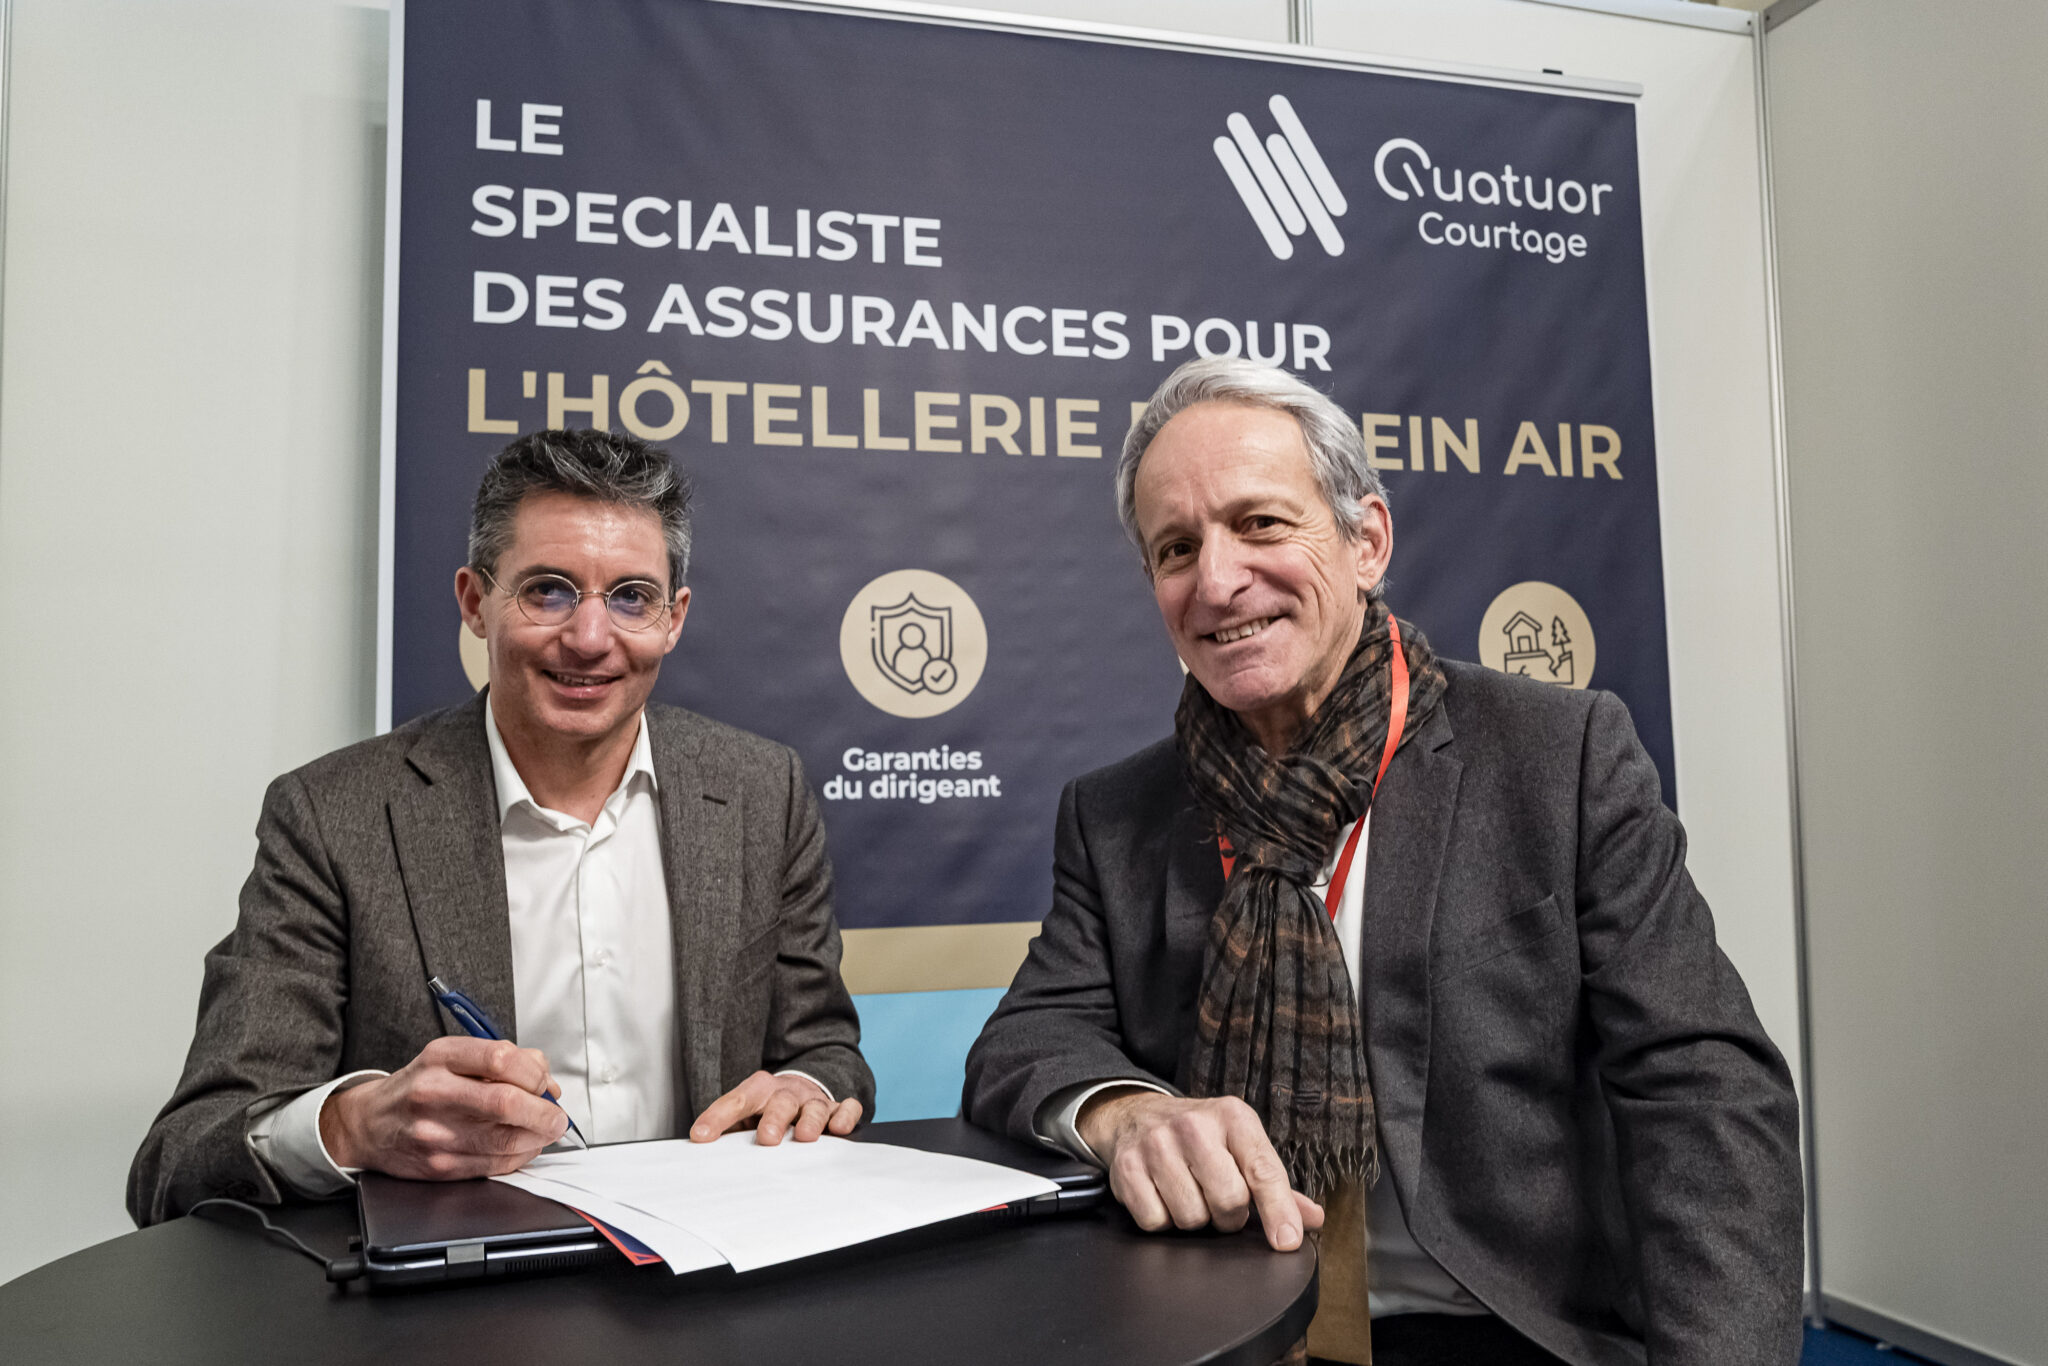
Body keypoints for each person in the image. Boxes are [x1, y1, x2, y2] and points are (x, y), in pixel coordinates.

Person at [961, 358, 1804, 1365]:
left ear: (1366, 541)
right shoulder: (1115, 815)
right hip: (1227, 1326)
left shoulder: (1557, 755)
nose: (1217, 581)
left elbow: (1700, 1088)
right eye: (1176, 548)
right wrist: (1125, 1111)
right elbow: (1026, 1039)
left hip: (1500, 1324)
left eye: (1260, 523)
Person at [129, 429, 872, 1224]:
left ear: (674, 618)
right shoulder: (332, 816)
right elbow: (182, 1159)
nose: (590, 639)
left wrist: (807, 1087)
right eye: (548, 591)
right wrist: (354, 1126)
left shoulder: (764, 791)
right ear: (475, 603)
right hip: (462, 1283)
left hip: (709, 1267)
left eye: (631, 597)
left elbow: (824, 1051)